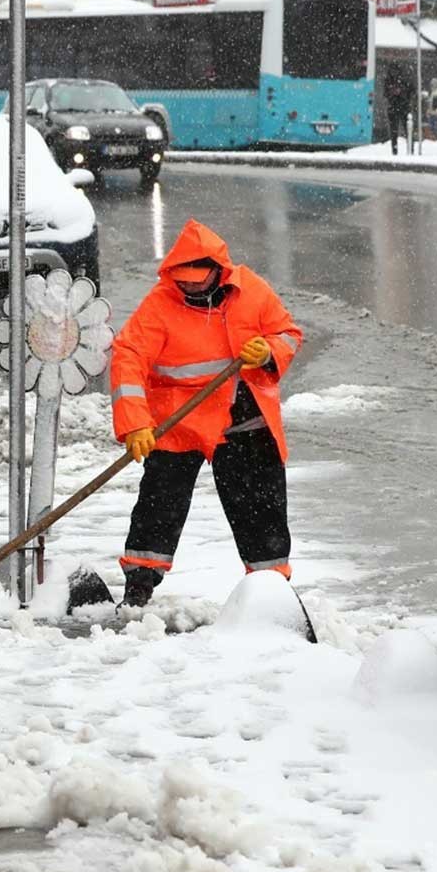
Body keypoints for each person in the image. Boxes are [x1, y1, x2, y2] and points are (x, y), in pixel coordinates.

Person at [109, 218, 303, 608]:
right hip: (180, 421)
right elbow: (128, 357)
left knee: (260, 507)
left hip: (245, 420)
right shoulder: (160, 304)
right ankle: (139, 586)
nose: (190, 289)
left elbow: (288, 333)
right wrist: (135, 424)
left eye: (198, 282)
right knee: (159, 504)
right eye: (183, 283)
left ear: (218, 272)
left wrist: (268, 351)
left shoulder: (252, 291)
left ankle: (271, 591)